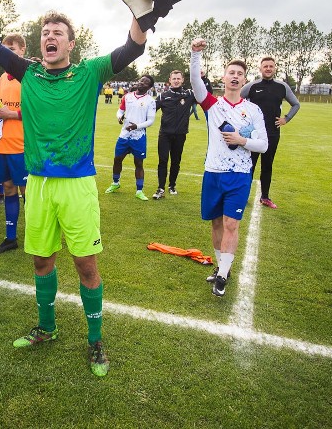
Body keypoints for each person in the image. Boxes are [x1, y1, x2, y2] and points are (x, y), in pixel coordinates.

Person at [0, 0, 160, 377]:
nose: (50, 37)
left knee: (86, 266)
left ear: (71, 44)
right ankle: (47, 327)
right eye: (45, 34)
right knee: (41, 261)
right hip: (38, 184)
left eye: (58, 33)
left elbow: (131, 50)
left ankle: (95, 342)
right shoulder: (29, 72)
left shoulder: (90, 72)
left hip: (77, 185)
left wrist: (140, 16)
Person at [189, 39, 267, 297]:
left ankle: (222, 275)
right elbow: (195, 82)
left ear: (244, 80)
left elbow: (263, 145)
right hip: (213, 172)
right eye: (231, 73)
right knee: (216, 224)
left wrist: (242, 140)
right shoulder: (213, 105)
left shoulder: (253, 110)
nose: (235, 77)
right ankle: (223, 266)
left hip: (239, 175)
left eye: (240, 74)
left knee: (231, 224)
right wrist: (195, 54)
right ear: (224, 77)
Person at [0, 33, 29, 254]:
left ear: (22, 50)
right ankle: (11, 237)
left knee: (27, 192)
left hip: (22, 146)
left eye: (13, 47)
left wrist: (10, 114)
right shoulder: (2, 77)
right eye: (5, 47)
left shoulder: (28, 76)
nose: (8, 51)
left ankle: (38, 235)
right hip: (1, 144)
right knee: (8, 188)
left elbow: (36, 110)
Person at [240, 56, 301, 209]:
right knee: (249, 165)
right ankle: (242, 196)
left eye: (271, 66)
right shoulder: (251, 86)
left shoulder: (282, 87)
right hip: (253, 134)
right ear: (260, 69)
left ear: (275, 69)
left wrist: (286, 119)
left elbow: (296, 104)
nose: (268, 69)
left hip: (272, 134)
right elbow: (237, 100)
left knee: (267, 165)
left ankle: (265, 197)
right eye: (265, 66)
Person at [104, 75, 156, 200]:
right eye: (141, 80)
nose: (141, 83)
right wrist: (119, 117)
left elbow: (150, 121)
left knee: (138, 162)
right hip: (124, 135)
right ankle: (115, 183)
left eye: (145, 82)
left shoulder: (151, 101)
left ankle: (139, 190)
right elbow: (120, 111)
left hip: (139, 136)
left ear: (149, 87)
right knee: (117, 159)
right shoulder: (127, 97)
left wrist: (136, 126)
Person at [153, 69, 196, 198]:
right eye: (174, 78)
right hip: (165, 134)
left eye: (178, 78)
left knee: (176, 161)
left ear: (182, 80)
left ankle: (172, 185)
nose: (176, 81)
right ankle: (161, 188)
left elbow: (206, 94)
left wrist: (203, 79)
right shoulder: (163, 96)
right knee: (163, 161)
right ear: (169, 80)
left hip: (180, 134)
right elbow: (150, 111)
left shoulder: (189, 94)